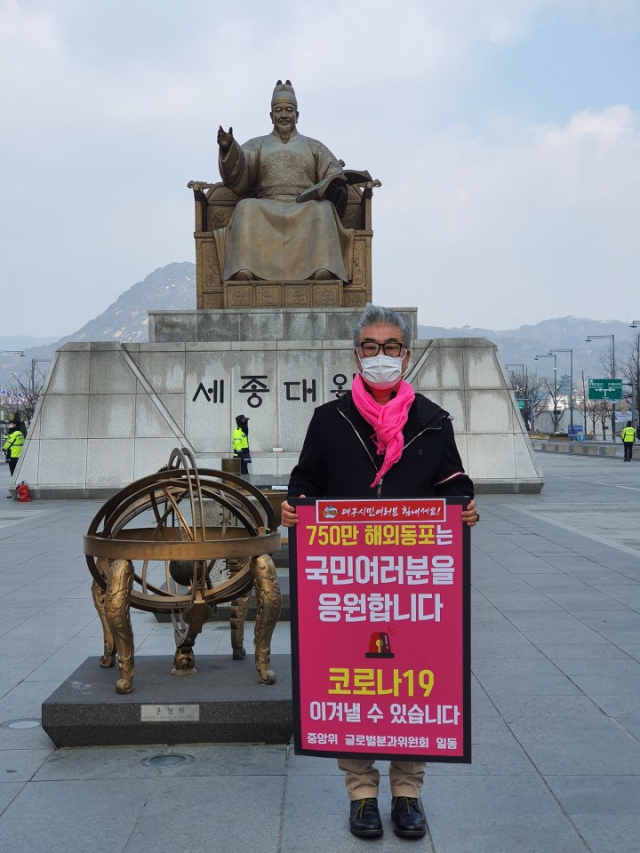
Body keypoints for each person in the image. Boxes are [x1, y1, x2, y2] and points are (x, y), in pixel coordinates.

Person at [281, 304, 479, 840]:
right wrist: (296, 504)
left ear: (406, 355)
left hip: (410, 582)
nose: (381, 356)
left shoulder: (433, 421)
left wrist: (462, 505)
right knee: (354, 682)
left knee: (414, 681)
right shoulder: (330, 419)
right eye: (370, 347)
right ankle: (362, 794)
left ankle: (408, 792)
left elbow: (455, 482)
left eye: (391, 347)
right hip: (351, 581)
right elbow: (305, 480)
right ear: (356, 355)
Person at [215, 79, 353, 283]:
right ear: (271, 116)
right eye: (279, 111)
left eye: (289, 110)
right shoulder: (257, 144)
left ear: (297, 115)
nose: (284, 115)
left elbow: (333, 171)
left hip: (304, 204)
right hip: (266, 204)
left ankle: (323, 269)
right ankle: (244, 269)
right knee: (245, 207)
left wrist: (336, 178)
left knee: (323, 209)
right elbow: (240, 167)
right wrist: (229, 148)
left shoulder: (314, 146)